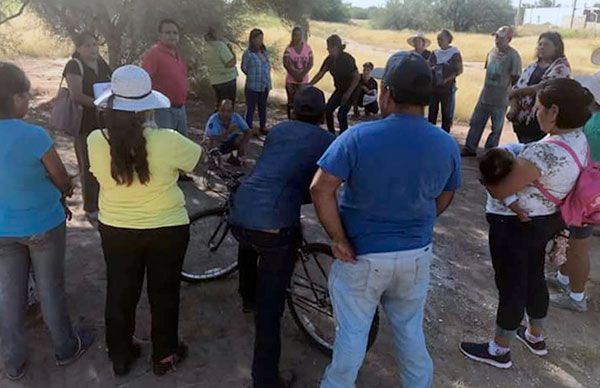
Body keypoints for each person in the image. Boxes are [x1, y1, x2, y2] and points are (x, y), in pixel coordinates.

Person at [311, 51, 462, 388]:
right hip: (416, 255)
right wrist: (421, 219)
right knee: (410, 332)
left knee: (352, 335)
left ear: (386, 93)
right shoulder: (446, 143)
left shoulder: (357, 137)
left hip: (362, 257)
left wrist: (338, 239)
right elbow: (447, 193)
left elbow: (321, 189)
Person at [460, 78, 592, 369]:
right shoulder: (578, 139)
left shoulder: (543, 153)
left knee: (511, 285)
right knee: (533, 276)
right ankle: (535, 335)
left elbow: (500, 188)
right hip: (546, 221)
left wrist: (488, 173)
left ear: (554, 111)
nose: (535, 112)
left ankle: (499, 350)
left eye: (540, 107)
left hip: (516, 226)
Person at [89, 65, 202, 377]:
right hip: (167, 228)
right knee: (164, 292)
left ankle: (121, 355)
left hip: (116, 228)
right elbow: (196, 159)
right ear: (148, 105)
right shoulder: (168, 140)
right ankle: (164, 354)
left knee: (120, 291)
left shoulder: (95, 141)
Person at [228, 87, 335, 388]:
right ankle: (264, 379)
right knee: (271, 309)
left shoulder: (278, 130)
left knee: (249, 244)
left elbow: (277, 169)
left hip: (241, 209)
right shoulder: (329, 141)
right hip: (276, 225)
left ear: (293, 109)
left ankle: (247, 297)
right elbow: (321, 186)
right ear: (322, 114)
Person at [0, 62, 94, 381]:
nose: (28, 100)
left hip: (2, 230)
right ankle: (66, 348)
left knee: (9, 293)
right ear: (14, 98)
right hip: (42, 224)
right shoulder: (34, 135)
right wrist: (64, 190)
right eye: (25, 95)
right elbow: (61, 179)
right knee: (50, 288)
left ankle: (13, 361)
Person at [546, 72, 600, 312]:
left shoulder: (593, 124)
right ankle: (564, 278)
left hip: (585, 193)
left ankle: (577, 297)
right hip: (585, 190)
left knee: (578, 245)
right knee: (569, 239)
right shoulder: (594, 119)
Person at [63, 31, 112, 222]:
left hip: (106, 122)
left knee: (106, 162)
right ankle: (91, 206)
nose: (92, 48)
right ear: (78, 48)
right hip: (85, 124)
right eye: (87, 45)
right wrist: (99, 103)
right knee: (88, 165)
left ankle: (105, 202)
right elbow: (76, 96)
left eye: (94, 44)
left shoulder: (102, 63)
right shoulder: (74, 66)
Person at [462, 26, 522, 157]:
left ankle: (489, 152)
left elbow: (516, 81)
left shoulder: (513, 56)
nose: (497, 40)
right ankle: (470, 148)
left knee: (496, 129)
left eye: (500, 38)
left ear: (509, 39)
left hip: (500, 100)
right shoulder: (491, 52)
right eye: (496, 37)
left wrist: (513, 101)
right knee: (476, 123)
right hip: (485, 96)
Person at [507, 32, 570, 144]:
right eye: (539, 44)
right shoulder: (532, 66)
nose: (541, 47)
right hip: (522, 121)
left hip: (542, 123)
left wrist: (516, 92)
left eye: (546, 44)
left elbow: (543, 87)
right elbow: (517, 87)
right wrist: (513, 108)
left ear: (557, 47)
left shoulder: (561, 67)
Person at [142, 19, 189, 136]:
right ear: (160, 35)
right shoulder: (153, 55)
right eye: (168, 33)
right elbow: (144, 81)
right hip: (162, 111)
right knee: (166, 147)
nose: (172, 36)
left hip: (180, 109)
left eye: (175, 33)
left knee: (182, 147)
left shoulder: (176, 55)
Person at [310, 34, 360, 135]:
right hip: (339, 89)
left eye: (329, 47)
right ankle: (331, 134)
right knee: (328, 109)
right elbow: (321, 73)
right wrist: (309, 84)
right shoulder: (329, 60)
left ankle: (343, 136)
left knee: (342, 113)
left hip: (351, 89)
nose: (327, 49)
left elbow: (356, 76)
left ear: (336, 47)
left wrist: (348, 93)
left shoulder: (347, 58)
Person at [479, 145, 530, 222]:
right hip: (500, 214)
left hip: (495, 212)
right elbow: (508, 198)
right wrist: (521, 213)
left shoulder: (504, 153)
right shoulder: (499, 181)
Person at [428, 29, 463, 133]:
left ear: (448, 39)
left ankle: (445, 137)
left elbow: (459, 70)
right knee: (432, 114)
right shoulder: (435, 53)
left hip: (447, 89)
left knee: (446, 115)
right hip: (434, 88)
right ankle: (431, 136)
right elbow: (429, 66)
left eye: (441, 39)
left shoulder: (454, 53)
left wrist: (446, 79)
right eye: (438, 39)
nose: (439, 41)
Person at [242, 28, 272, 135]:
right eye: (258, 38)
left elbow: (268, 66)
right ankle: (247, 128)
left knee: (262, 107)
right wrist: (252, 75)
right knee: (250, 108)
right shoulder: (248, 53)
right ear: (253, 39)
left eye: (261, 38)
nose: (260, 40)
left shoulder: (264, 52)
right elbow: (244, 68)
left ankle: (262, 127)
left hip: (264, 85)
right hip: (252, 86)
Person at [205, 99, 252, 166]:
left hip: (228, 142)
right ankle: (212, 158)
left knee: (241, 137)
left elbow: (248, 131)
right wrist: (228, 131)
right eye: (222, 110)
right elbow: (212, 138)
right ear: (218, 109)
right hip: (217, 143)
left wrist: (242, 146)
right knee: (211, 141)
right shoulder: (213, 119)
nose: (225, 113)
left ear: (232, 111)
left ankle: (239, 158)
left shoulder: (236, 117)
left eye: (228, 111)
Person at [204, 26, 238, 110]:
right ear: (215, 33)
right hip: (227, 80)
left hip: (216, 81)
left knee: (220, 105)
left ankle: (217, 122)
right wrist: (231, 50)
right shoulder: (220, 46)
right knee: (228, 107)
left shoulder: (206, 46)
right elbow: (231, 63)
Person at [283, 26, 314, 119]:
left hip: (303, 80)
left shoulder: (308, 48)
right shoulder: (288, 49)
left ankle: (300, 120)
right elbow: (286, 64)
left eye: (300, 35)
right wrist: (295, 75)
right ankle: (290, 120)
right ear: (293, 36)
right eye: (296, 35)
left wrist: (302, 74)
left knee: (302, 101)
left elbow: (310, 63)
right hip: (291, 80)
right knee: (291, 102)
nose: (298, 37)